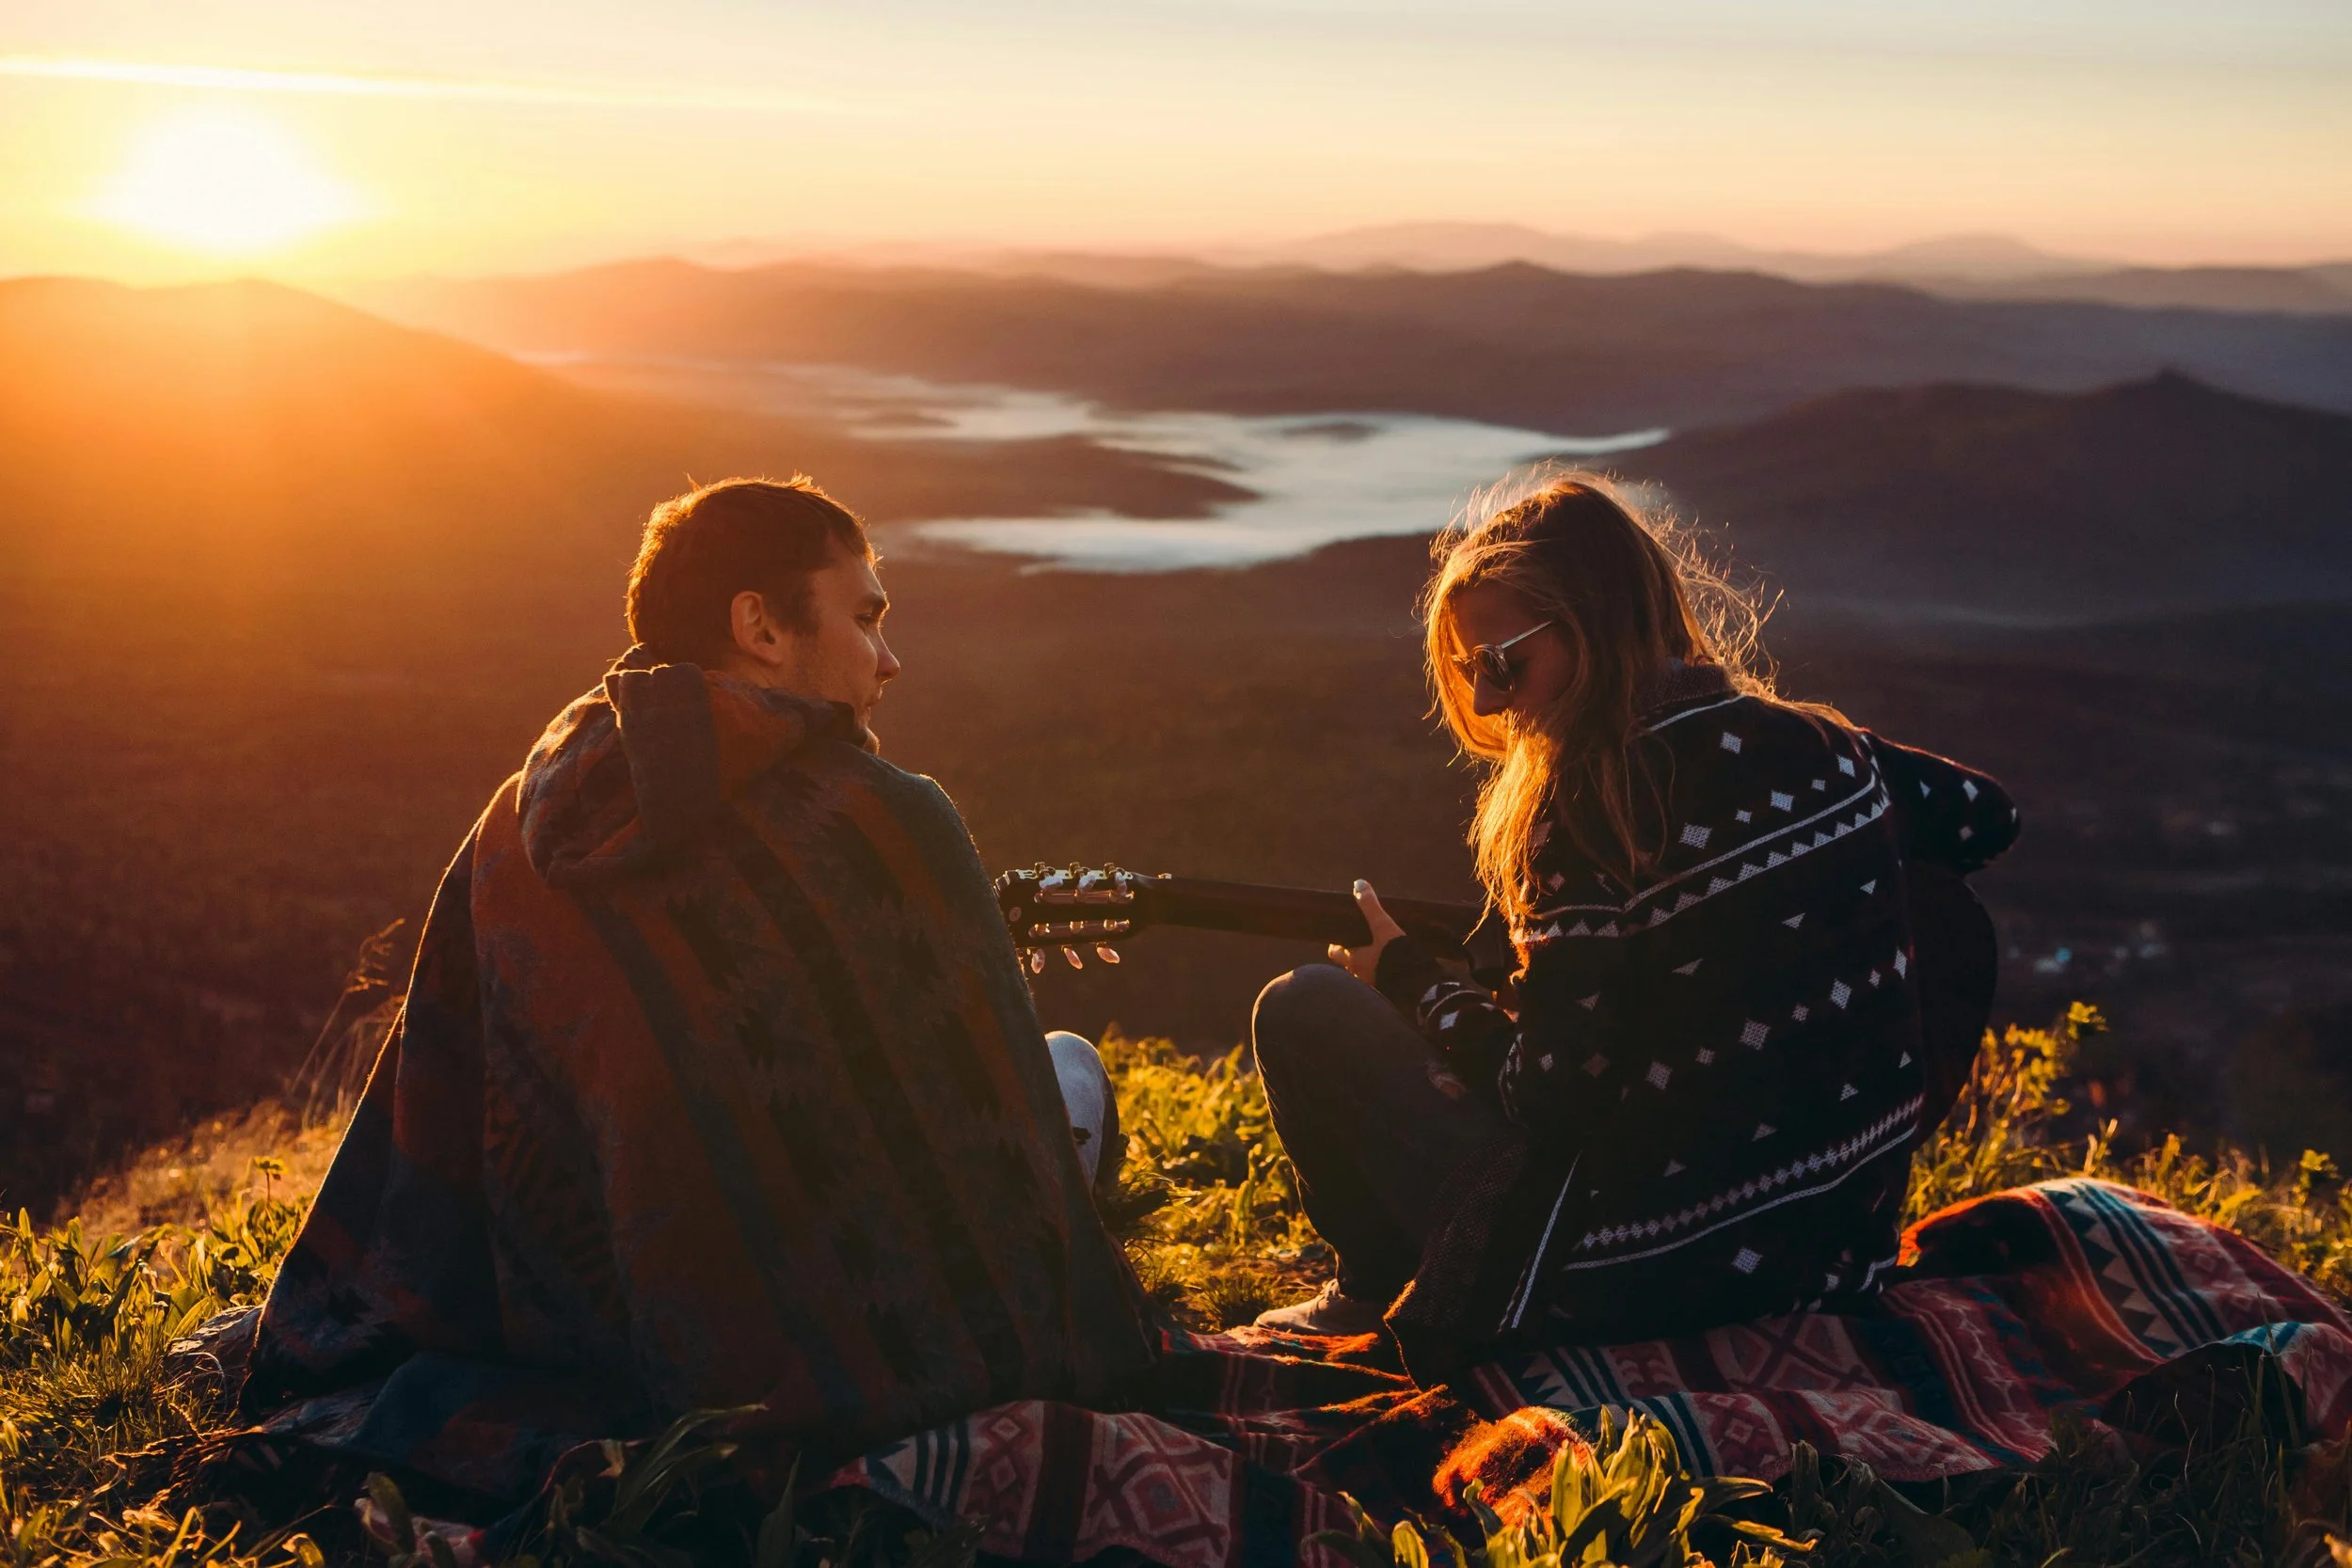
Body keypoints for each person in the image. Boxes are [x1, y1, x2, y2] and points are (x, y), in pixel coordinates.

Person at [236, 477, 1152, 1512]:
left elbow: (447, 1090)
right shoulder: (887, 819)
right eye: (863, 617)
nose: (888, 659)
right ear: (760, 625)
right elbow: (978, 1144)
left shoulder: (526, 810)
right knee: (1069, 1069)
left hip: (592, 1329)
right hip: (835, 1349)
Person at [1248, 475, 2019, 1373]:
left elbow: (1548, 1098)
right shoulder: (1828, 747)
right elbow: (1984, 816)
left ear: (1595, 626)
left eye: (1502, 663)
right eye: (1468, 671)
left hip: (1631, 1274)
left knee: (1304, 1008)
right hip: (1832, 1254)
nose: (1489, 702)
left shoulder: (1589, 809)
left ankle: (1373, 1290)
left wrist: (1415, 984)